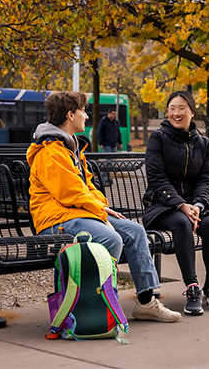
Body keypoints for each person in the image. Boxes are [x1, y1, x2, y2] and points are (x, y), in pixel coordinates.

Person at [26, 91, 181, 323]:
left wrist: (101, 208)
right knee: (111, 238)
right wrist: (100, 212)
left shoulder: (71, 148)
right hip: (56, 220)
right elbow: (69, 193)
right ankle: (103, 306)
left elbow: (88, 187)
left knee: (135, 231)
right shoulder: (50, 151)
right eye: (83, 112)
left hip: (78, 214)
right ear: (70, 115)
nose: (86, 117)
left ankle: (146, 302)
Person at [143, 90, 209, 315]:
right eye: (172, 109)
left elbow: (206, 179)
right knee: (181, 222)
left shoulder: (204, 143)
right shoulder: (158, 138)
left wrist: (198, 206)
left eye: (182, 108)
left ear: (191, 112)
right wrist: (181, 205)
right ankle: (192, 288)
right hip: (161, 207)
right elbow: (156, 177)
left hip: (195, 206)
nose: (176, 113)